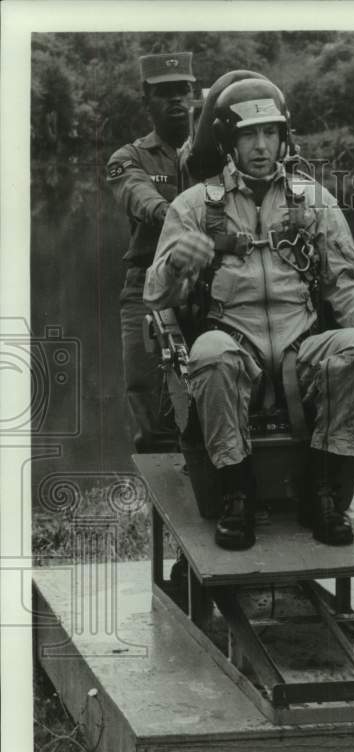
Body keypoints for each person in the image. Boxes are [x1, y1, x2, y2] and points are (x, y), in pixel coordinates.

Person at [145, 77, 354, 549]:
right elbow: (157, 296)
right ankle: (236, 493)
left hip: (302, 349)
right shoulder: (194, 206)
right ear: (229, 141)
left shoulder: (314, 201)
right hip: (232, 345)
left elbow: (346, 281)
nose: (261, 146)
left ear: (284, 137)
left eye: (270, 133)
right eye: (249, 135)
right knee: (210, 352)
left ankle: (322, 491)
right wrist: (178, 261)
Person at [106, 52, 197, 452]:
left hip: (209, 282)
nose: (176, 99)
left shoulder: (217, 155)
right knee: (149, 398)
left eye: (183, 90)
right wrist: (172, 213)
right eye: (164, 93)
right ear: (147, 100)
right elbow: (135, 193)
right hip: (146, 284)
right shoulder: (128, 157)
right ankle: (164, 481)